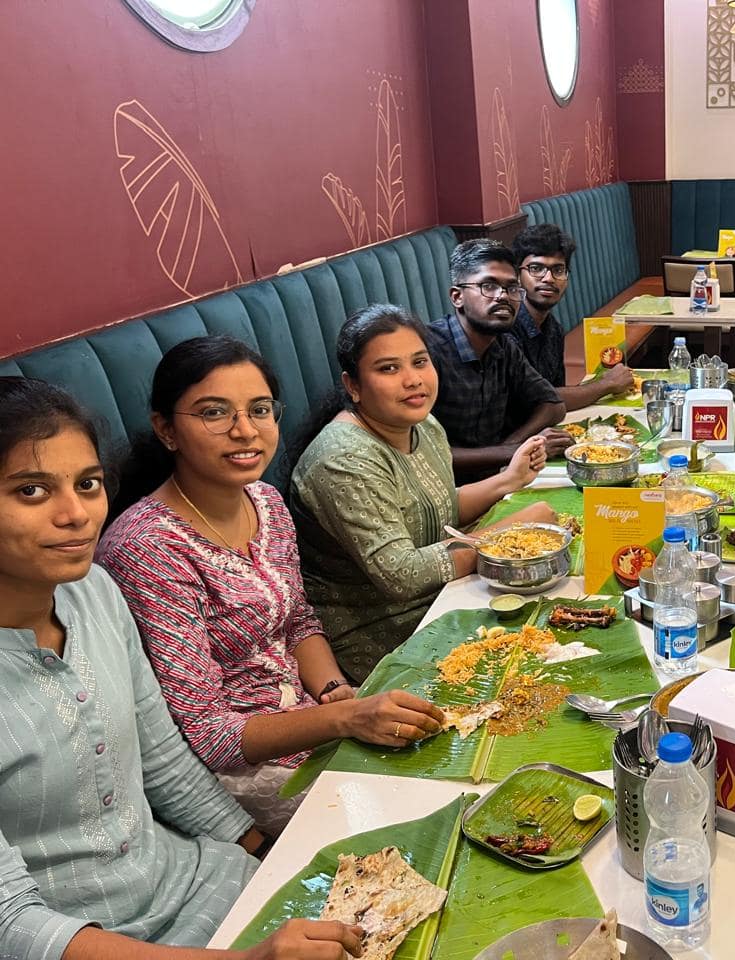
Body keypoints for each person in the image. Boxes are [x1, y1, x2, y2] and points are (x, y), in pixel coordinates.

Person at [0, 377, 362, 959]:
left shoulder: (93, 592)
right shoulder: (143, 549)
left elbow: (163, 760)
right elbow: (12, 922)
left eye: (87, 484)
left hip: (191, 878)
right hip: (84, 939)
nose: (76, 515)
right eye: (31, 491)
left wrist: (263, 852)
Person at [98, 337, 444, 835]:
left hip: (311, 720)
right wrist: (346, 719)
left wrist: (335, 692)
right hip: (238, 772)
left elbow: (297, 619)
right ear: (166, 429)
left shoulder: (264, 500)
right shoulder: (148, 548)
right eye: (214, 413)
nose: (244, 431)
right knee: (422, 810)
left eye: (259, 410)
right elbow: (210, 734)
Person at [290, 304, 556, 683]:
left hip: (443, 597)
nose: (413, 379)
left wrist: (508, 480)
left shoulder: (424, 425)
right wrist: (508, 535)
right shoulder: (344, 460)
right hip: (381, 631)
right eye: (389, 369)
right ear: (353, 386)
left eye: (419, 362)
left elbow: (436, 510)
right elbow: (404, 574)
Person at [426, 239, 572, 482]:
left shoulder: (503, 345)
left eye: (512, 288)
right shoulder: (427, 354)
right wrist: (515, 451)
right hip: (445, 491)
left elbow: (553, 404)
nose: (503, 296)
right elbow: (422, 456)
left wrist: (512, 447)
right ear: (457, 297)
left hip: (498, 478)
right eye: (488, 286)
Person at [509, 223, 633, 409]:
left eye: (558, 270)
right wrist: (607, 384)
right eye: (536, 268)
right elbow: (535, 399)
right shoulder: (507, 329)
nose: (548, 278)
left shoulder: (553, 329)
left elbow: (556, 396)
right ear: (517, 276)